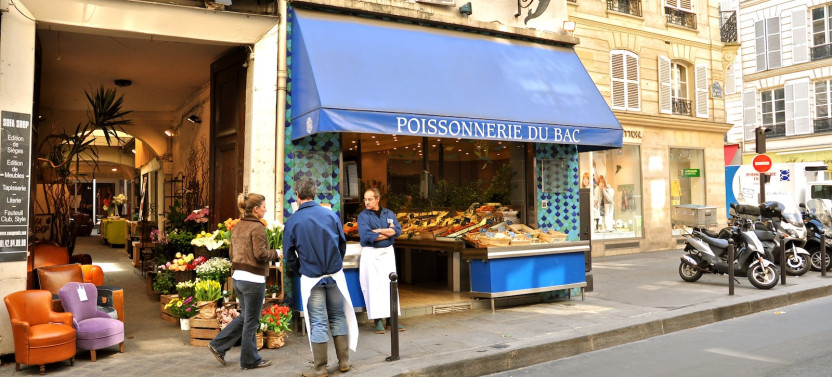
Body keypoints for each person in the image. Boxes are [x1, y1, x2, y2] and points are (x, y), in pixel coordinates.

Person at [284, 178, 358, 377]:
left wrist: (301, 269)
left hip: (312, 277)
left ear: (297, 196)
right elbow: (342, 244)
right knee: (338, 316)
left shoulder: (293, 221)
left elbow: (288, 255)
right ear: (314, 194)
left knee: (318, 321)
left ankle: (320, 367)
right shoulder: (330, 215)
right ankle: (344, 361)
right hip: (334, 275)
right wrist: (335, 264)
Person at [208, 193, 278, 370]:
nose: (266, 209)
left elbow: (231, 253)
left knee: (247, 317)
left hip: (238, 278)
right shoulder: (258, 227)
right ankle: (249, 360)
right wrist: (276, 253)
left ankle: (218, 345)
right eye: (263, 206)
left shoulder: (238, 226)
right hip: (253, 279)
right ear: (255, 209)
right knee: (252, 321)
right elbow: (261, 254)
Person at [357, 187, 403, 334]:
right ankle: (377, 320)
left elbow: (398, 231)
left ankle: (391, 319)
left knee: (390, 285)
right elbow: (367, 236)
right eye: (365, 199)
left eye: (370, 199)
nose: (367, 202)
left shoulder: (388, 213)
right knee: (374, 287)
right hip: (371, 254)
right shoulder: (363, 216)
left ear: (377, 199)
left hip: (388, 254)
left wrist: (378, 231)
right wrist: (388, 232)